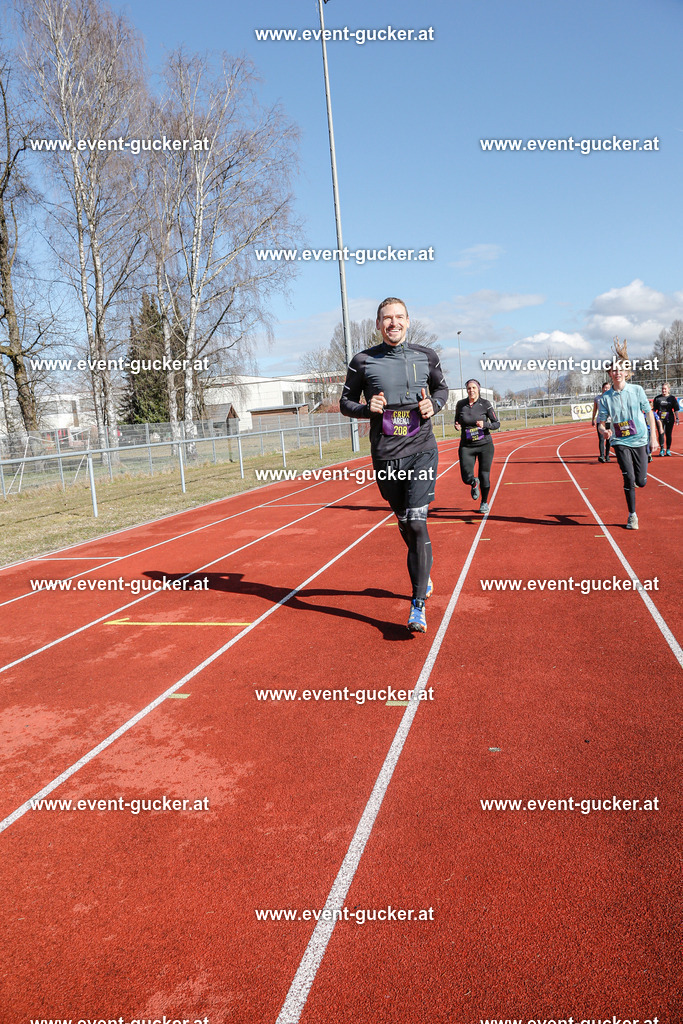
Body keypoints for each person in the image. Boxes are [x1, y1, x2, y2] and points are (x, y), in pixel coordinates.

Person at [340, 296, 449, 633]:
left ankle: (417, 605)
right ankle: (424, 570)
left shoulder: (425, 355)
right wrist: (365, 407)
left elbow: (442, 389)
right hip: (386, 454)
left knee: (417, 522)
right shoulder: (362, 361)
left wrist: (436, 404)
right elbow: (344, 402)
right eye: (387, 318)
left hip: (421, 450)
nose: (394, 323)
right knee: (404, 522)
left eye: (399, 317)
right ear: (378, 324)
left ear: (408, 320)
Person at [596, 357, 659, 529]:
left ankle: (639, 479)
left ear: (626, 373)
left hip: (639, 439)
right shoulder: (606, 398)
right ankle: (632, 515)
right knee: (629, 478)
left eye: (620, 370)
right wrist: (604, 431)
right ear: (610, 374)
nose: (617, 373)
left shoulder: (637, 390)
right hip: (619, 441)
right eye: (613, 371)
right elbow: (600, 423)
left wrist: (653, 437)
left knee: (641, 480)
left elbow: (649, 413)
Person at [454, 379, 500, 513]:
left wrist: (485, 425)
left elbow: (496, 423)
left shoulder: (485, 404)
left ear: (478, 389)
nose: (471, 390)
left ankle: (484, 502)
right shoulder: (460, 404)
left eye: (474, 388)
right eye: (469, 388)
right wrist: (457, 425)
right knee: (465, 476)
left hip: (484, 445)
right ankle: (473, 483)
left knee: (484, 475)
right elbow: (457, 420)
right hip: (467, 446)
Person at [652, 381, 680, 456]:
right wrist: (652, 417)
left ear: (668, 389)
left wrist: (677, 418)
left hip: (670, 418)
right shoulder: (657, 398)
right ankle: (661, 449)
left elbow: (676, 409)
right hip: (660, 419)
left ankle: (668, 449)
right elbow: (654, 410)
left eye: (665, 389)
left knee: (668, 434)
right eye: (662, 389)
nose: (664, 390)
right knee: (661, 433)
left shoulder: (672, 398)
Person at [592, 382, 612, 462]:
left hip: (609, 421)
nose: (606, 389)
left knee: (609, 439)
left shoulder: (612, 397)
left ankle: (607, 455)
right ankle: (601, 456)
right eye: (605, 387)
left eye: (608, 388)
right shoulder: (597, 398)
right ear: (602, 388)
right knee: (601, 439)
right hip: (600, 421)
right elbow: (595, 410)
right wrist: (592, 419)